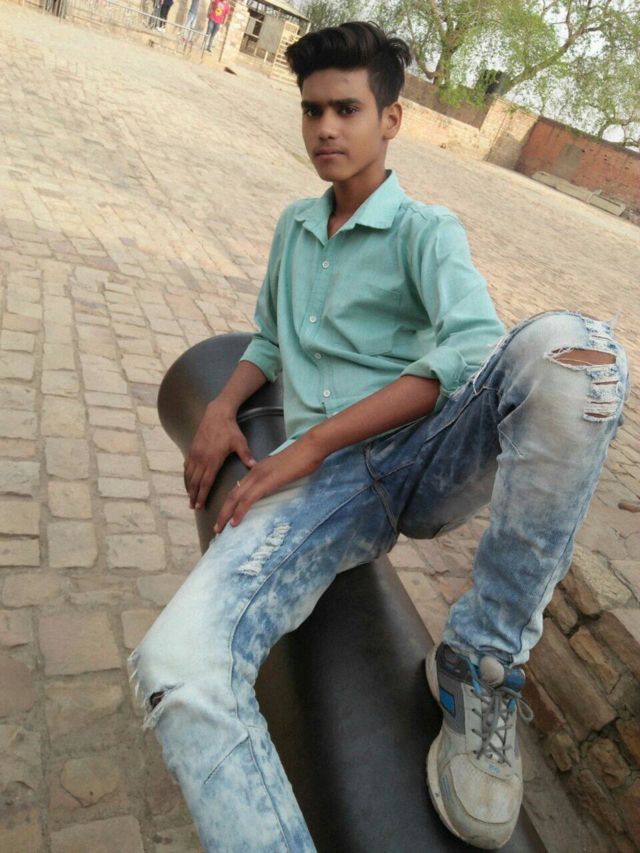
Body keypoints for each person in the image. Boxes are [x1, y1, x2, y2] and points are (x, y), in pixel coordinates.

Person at [130, 21, 628, 852]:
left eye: (347, 109)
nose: (325, 128)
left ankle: (482, 662)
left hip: (424, 454)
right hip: (331, 493)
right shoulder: (295, 228)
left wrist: (311, 444)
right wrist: (222, 406)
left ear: (390, 119)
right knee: (174, 665)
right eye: (312, 110)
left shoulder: (426, 231)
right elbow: (271, 339)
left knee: (580, 353)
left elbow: (471, 350)